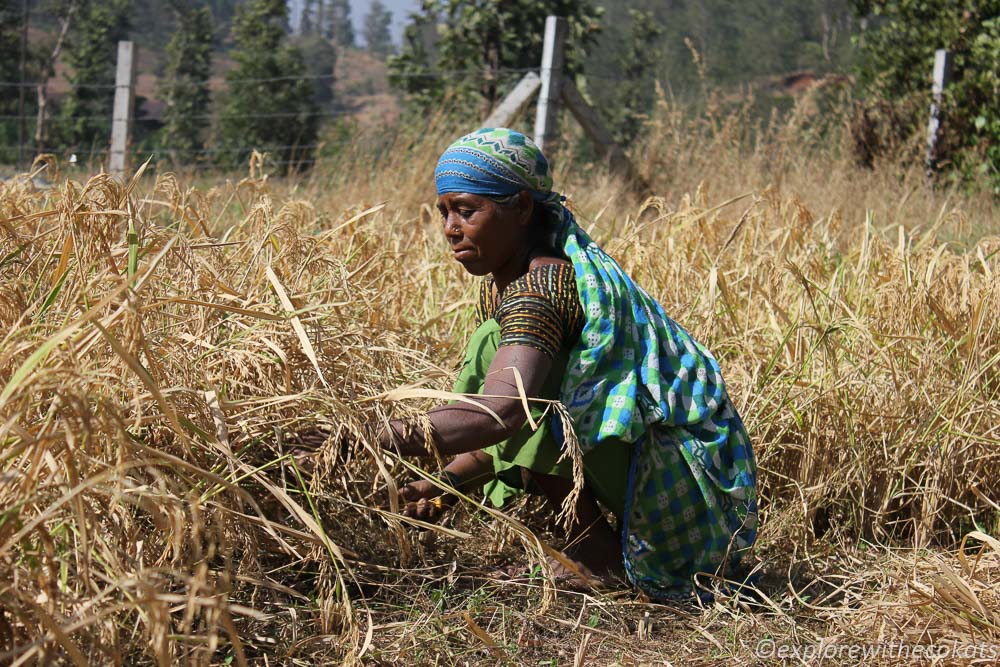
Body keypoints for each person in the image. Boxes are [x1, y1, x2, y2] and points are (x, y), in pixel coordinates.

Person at [361, 128, 757, 599]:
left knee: (508, 365)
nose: (451, 227)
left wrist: (364, 437)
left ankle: (599, 558)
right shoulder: (517, 283)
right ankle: (596, 546)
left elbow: (503, 416)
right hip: (689, 509)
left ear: (523, 208)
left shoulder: (541, 290)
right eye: (444, 212)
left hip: (682, 502)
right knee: (521, 378)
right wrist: (445, 485)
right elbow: (511, 426)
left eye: (467, 210)